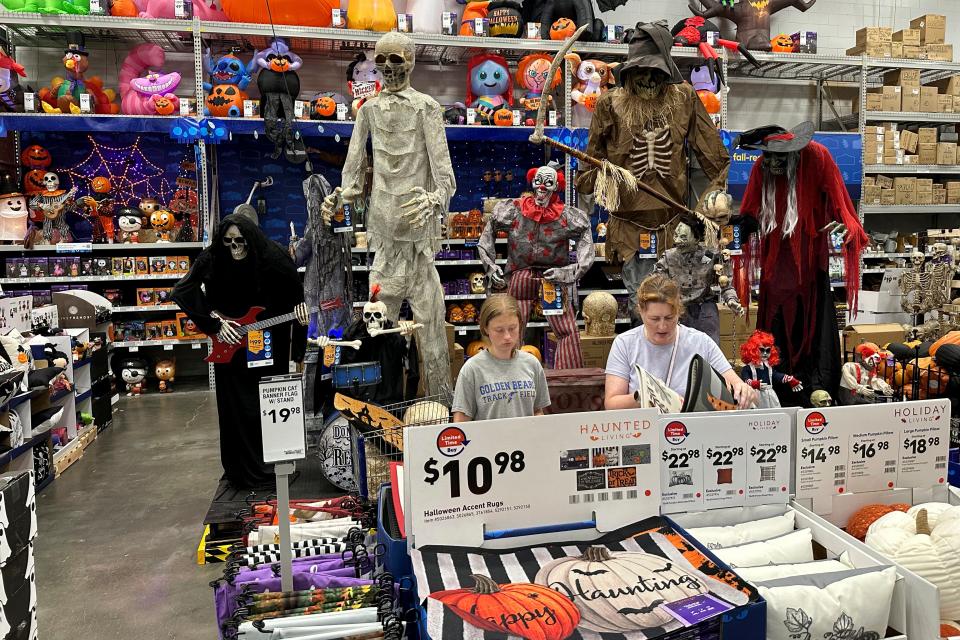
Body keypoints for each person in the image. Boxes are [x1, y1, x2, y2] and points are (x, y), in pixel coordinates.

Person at [172, 213, 308, 489]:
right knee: (234, 408)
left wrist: (299, 346)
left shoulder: (274, 257)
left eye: (240, 241)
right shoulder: (212, 258)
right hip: (230, 346)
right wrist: (214, 323)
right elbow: (182, 290)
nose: (235, 248)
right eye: (228, 242)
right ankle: (239, 469)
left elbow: (297, 300)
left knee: (269, 404)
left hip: (270, 343)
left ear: (251, 240)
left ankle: (274, 466)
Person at [604, 274, 757, 410]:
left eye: (669, 318)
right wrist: (644, 396)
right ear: (641, 311)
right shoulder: (624, 344)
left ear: (679, 311)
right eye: (654, 319)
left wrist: (743, 390)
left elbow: (736, 384)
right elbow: (611, 403)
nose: (662, 326)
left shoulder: (701, 342)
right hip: (644, 430)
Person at [452, 295, 550, 422]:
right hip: (488, 441)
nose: (507, 336)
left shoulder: (532, 364)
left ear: (520, 324)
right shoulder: (472, 369)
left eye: (512, 328)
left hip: (525, 440)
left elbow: (537, 410)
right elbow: (461, 421)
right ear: (486, 328)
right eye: (499, 330)